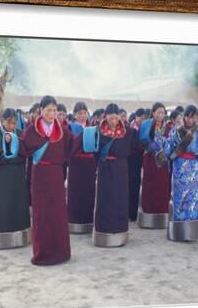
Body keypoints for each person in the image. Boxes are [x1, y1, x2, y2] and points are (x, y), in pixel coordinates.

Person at [20, 95, 73, 265]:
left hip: (56, 175)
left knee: (57, 213)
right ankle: (42, 253)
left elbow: (73, 146)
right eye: (48, 110)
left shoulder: (63, 131)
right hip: (40, 175)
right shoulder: (31, 130)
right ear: (41, 111)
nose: (51, 114)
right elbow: (22, 147)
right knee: (41, 214)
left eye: (54, 110)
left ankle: (61, 252)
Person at [162, 105, 198, 241]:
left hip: (195, 169)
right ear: (184, 117)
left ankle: (193, 232)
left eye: (194, 117)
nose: (191, 120)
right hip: (180, 169)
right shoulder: (176, 131)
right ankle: (178, 231)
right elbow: (168, 147)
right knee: (180, 199)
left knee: (194, 199)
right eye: (189, 116)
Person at [81, 103, 134, 247]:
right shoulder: (98, 131)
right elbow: (94, 151)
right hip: (105, 169)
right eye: (111, 115)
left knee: (120, 198)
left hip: (121, 169)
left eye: (116, 115)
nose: (114, 118)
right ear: (106, 116)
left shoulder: (127, 132)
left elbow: (130, 149)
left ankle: (120, 232)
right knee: (105, 198)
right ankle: (103, 232)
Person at [0, 108, 31, 249]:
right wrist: (1, 158)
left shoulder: (20, 134)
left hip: (17, 174)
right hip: (2, 175)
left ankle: (21, 237)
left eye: (14, 123)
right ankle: (2, 239)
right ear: (2, 121)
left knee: (18, 203)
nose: (11, 126)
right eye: (9, 123)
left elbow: (26, 153)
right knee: (3, 204)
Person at [138, 102, 171, 229]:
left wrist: (165, 149)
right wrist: (148, 146)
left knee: (162, 185)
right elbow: (140, 142)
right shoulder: (147, 126)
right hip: (150, 159)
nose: (161, 115)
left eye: (163, 113)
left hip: (162, 160)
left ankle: (162, 211)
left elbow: (172, 143)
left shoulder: (168, 128)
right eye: (158, 112)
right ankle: (149, 211)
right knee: (150, 184)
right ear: (153, 113)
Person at [67, 101, 96, 234]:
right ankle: (75, 221)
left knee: (88, 191)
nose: (83, 116)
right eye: (80, 113)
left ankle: (88, 220)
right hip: (76, 164)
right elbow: (70, 146)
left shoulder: (92, 127)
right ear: (75, 115)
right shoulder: (70, 127)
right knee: (76, 192)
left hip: (89, 165)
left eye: (85, 113)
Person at [127, 108, 145, 221]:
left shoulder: (143, 129)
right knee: (129, 186)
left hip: (138, 161)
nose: (142, 121)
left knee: (135, 186)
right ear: (136, 117)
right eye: (141, 118)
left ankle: (133, 214)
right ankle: (128, 213)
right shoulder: (130, 128)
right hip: (129, 161)